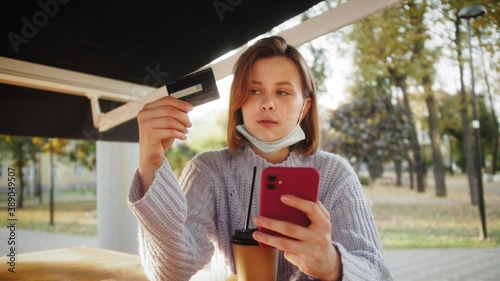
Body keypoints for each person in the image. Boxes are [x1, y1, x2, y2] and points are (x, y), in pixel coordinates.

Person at [128, 36, 393, 281]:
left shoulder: (335, 173)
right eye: (254, 91)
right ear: (238, 103)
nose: (267, 103)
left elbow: (378, 274)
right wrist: (151, 163)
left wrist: (332, 264)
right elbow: (171, 271)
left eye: (282, 92)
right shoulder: (208, 170)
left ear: (305, 107)